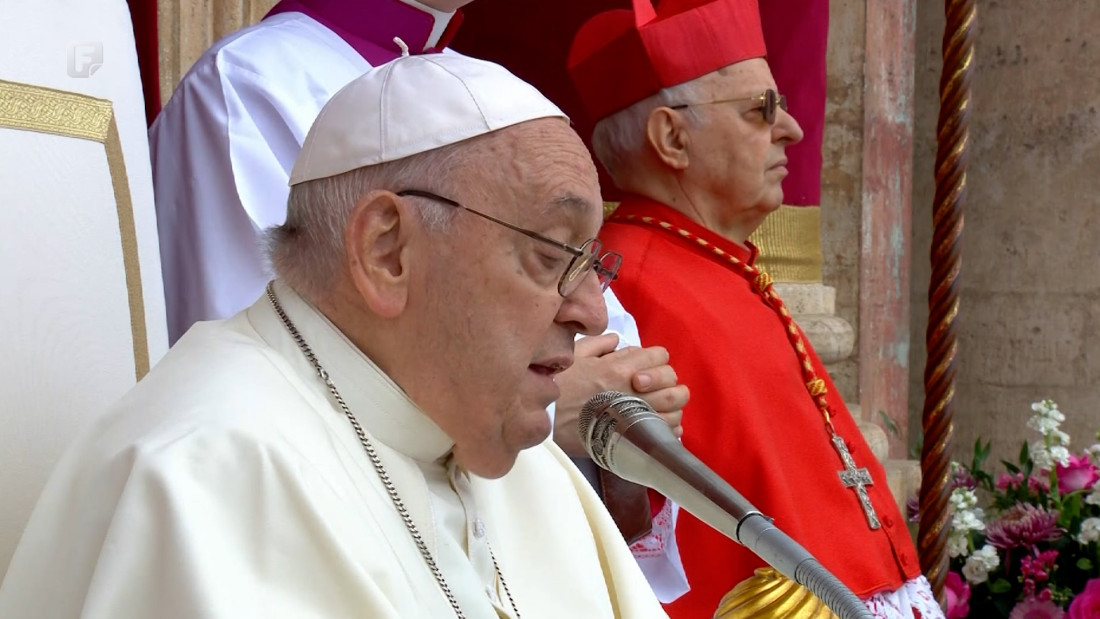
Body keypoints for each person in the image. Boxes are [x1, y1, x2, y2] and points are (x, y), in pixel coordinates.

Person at [0, 53, 669, 618]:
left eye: (593, 262)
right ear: (387, 251)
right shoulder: (202, 480)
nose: (591, 312)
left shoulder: (530, 466)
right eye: (553, 255)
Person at [566, 0, 943, 618]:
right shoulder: (616, 290)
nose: (792, 129)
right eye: (762, 109)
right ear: (672, 138)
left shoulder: (722, 263)